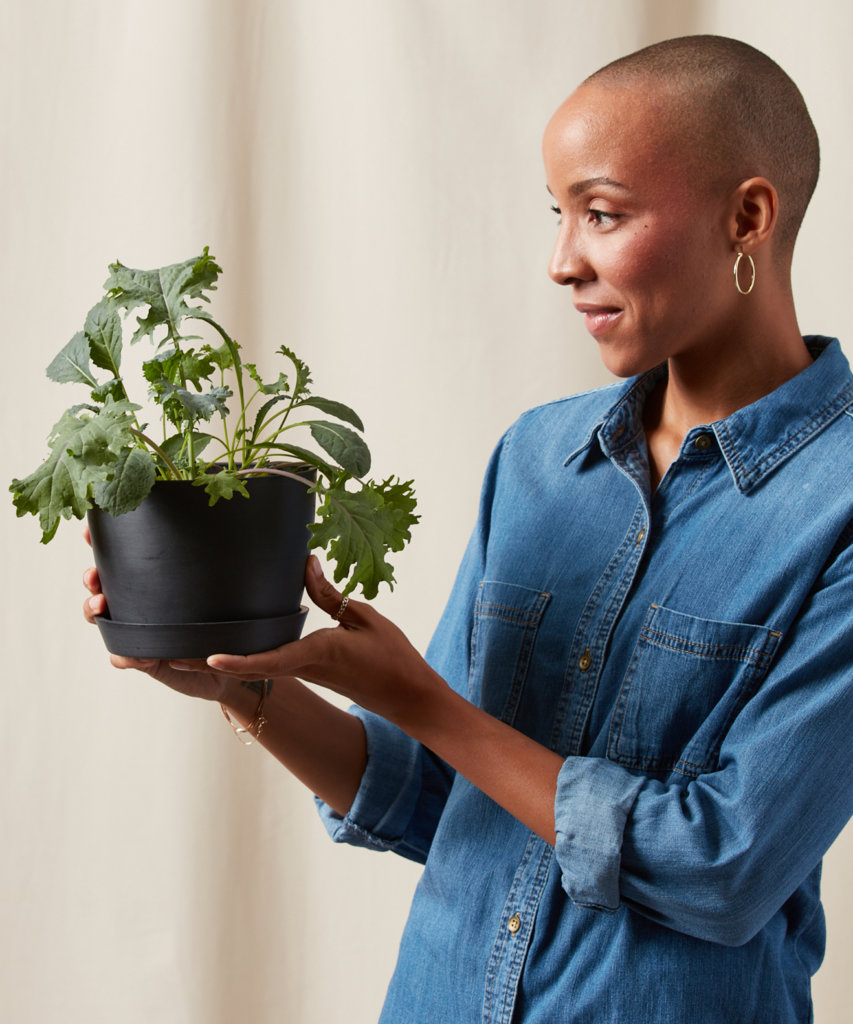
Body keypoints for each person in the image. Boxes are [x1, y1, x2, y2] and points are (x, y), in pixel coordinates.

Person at [83, 35, 853, 1024]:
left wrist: (425, 702)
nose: (561, 261)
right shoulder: (536, 461)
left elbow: (725, 868)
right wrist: (252, 684)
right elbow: (445, 803)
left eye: (603, 213)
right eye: (558, 214)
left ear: (746, 215)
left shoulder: (834, 505)